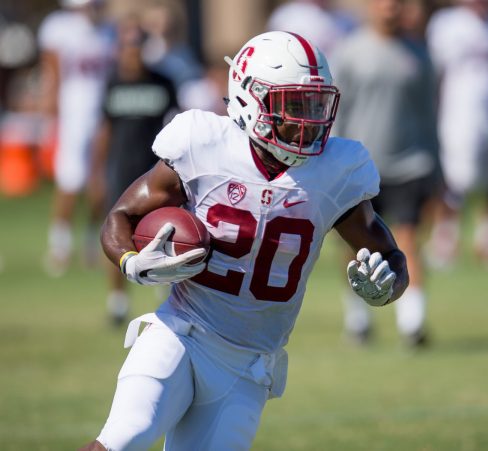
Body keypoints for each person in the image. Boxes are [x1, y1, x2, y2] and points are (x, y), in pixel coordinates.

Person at [79, 31, 409, 450]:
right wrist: (130, 261)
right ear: (251, 98)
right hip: (181, 331)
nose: (307, 120)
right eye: (293, 105)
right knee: (123, 438)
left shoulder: (337, 169)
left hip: (249, 364)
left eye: (315, 104)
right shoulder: (203, 143)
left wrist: (386, 287)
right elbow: (122, 216)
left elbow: (390, 255)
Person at [331, 0, 441, 346]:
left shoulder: (418, 55)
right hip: (361, 167)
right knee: (354, 245)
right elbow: (336, 113)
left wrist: (437, 167)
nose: (390, 8)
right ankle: (358, 319)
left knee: (407, 240)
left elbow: (429, 115)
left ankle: (412, 323)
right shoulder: (349, 53)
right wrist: (333, 162)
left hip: (410, 164)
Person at [87, 15, 178, 325]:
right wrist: (96, 173)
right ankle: (118, 303)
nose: (133, 51)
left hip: (155, 173)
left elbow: (175, 126)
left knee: (167, 233)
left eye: (138, 44)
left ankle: (167, 299)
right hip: (121, 169)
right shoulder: (112, 83)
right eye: (127, 45)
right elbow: (104, 131)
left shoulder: (163, 82)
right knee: (117, 233)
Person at [424, 0, 488, 270]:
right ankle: (445, 239)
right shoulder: (447, 24)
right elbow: (433, 74)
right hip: (458, 115)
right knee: (454, 183)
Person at [38, 0, 115, 276]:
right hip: (73, 115)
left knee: (101, 181)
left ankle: (92, 240)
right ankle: (60, 243)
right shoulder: (60, 28)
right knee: (70, 179)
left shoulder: (110, 31)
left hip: (104, 115)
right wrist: (52, 110)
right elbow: (52, 74)